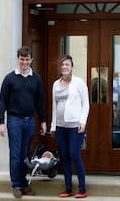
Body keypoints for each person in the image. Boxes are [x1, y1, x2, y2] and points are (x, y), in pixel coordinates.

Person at [0, 46, 47, 198]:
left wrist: (43, 121)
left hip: (30, 121)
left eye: (27, 59)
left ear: (31, 60)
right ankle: (16, 185)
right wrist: (1, 121)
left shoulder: (37, 79)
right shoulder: (9, 78)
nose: (24, 62)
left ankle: (23, 184)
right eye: (22, 59)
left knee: (25, 155)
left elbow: (40, 102)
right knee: (15, 154)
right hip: (14, 120)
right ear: (18, 59)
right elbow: (2, 101)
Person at [50, 55, 90, 199]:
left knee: (74, 154)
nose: (64, 67)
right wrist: (53, 125)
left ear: (72, 67)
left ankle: (82, 189)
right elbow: (54, 106)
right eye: (62, 65)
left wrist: (83, 122)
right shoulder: (56, 84)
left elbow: (86, 104)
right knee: (65, 157)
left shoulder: (79, 82)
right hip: (60, 127)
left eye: (67, 64)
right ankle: (68, 189)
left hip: (75, 126)